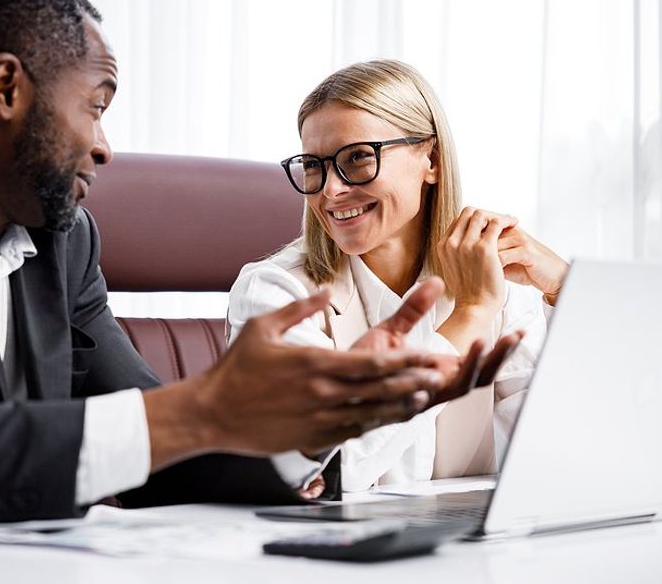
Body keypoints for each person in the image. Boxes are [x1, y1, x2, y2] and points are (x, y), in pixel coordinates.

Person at [0, 0, 520, 547]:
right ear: (6, 88)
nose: (106, 147)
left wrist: (314, 424)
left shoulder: (61, 245)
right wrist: (202, 406)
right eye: (95, 105)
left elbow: (162, 446)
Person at [228, 59, 568, 492]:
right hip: (338, 553)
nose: (331, 190)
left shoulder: (500, 285)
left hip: (465, 548)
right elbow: (323, 468)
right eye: (314, 165)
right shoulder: (275, 294)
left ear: (432, 160)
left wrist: (565, 291)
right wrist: (470, 316)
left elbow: (560, 456)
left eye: (357, 158)